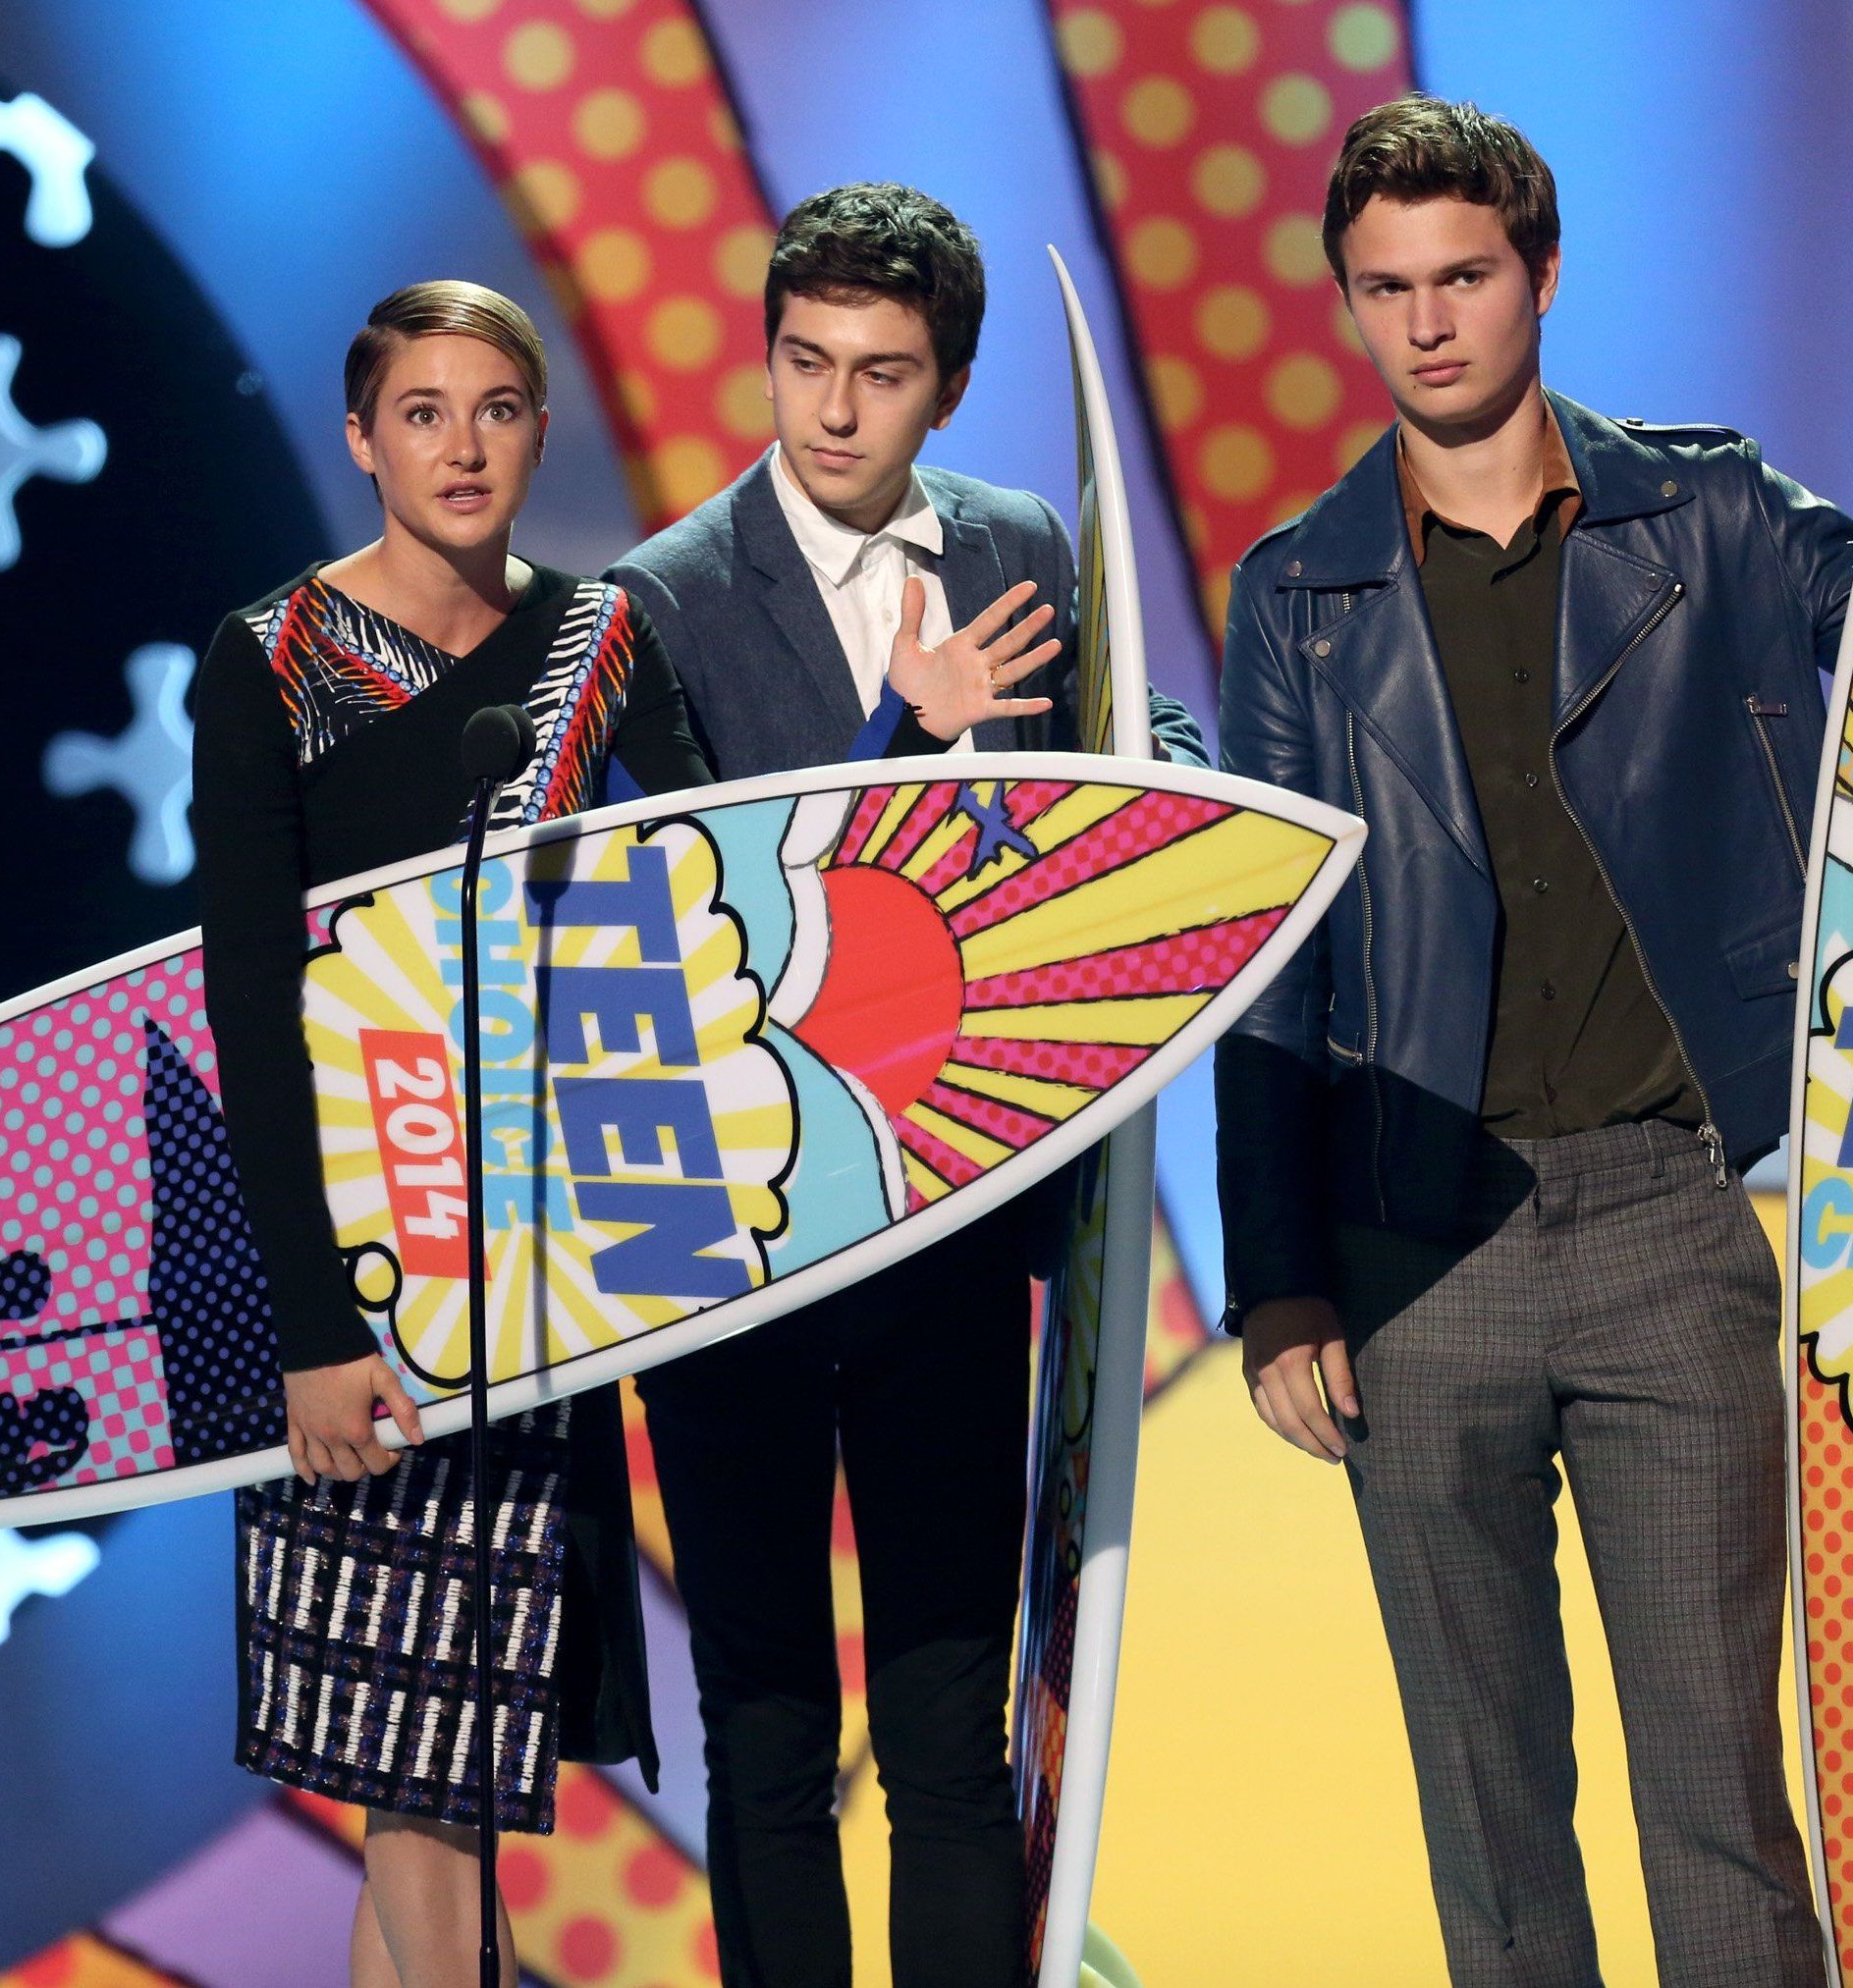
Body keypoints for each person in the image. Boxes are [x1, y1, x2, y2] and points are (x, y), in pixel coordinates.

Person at [1212, 96, 1853, 1987]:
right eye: (1386, 290)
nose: (1429, 322)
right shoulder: (1298, 591)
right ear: (1349, 307)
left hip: (1666, 1214)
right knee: (1492, 1820)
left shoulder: (1711, 518)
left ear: (1542, 274)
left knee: (1716, 1789)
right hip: (1411, 1239)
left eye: (1463, 276)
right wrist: (1282, 1284)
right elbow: (1269, 953)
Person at [605, 183, 1203, 1986]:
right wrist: (904, 731)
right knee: (771, 1739)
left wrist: (1184, 776)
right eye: (805, 364)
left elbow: (1129, 740)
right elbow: (696, 911)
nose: (835, 410)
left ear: (944, 388)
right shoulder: (666, 593)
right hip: (739, 1257)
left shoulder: (1017, 540)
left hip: (953, 1227)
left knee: (954, 1747)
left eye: (880, 373)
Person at [191, 281, 710, 1988]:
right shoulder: (271, 661)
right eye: (424, 410)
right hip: (367, 1280)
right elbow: (251, 1003)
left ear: (541, 432)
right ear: (362, 439)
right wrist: (315, 1331)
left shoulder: (600, 644)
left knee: (452, 1782)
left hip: (543, 1282)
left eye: (496, 407)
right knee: (415, 1787)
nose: (463, 443)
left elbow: (713, 906)